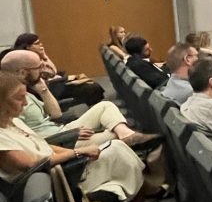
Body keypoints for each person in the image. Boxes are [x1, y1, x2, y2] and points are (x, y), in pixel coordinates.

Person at [0, 71, 170, 202]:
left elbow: (45, 145)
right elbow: (32, 164)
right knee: (118, 151)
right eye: (19, 98)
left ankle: (143, 200)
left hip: (60, 166)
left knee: (117, 149)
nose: (24, 103)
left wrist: (76, 153)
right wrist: (77, 152)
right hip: (51, 181)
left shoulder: (13, 121)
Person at [1, 50, 162, 149]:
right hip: (59, 142)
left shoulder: (26, 89)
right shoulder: (8, 99)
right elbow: (30, 141)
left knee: (105, 106)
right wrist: (72, 134)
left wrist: (43, 89)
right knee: (113, 140)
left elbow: (55, 114)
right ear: (22, 72)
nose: (43, 70)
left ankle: (126, 134)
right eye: (38, 68)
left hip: (61, 130)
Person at [14, 33, 105, 107]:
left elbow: (54, 70)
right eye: (37, 43)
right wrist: (44, 56)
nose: (41, 45)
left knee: (91, 85)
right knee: (92, 88)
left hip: (54, 84)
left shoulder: (36, 56)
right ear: (28, 47)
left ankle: (95, 111)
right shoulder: (29, 60)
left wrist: (44, 56)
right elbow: (52, 73)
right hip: (50, 89)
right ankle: (95, 112)